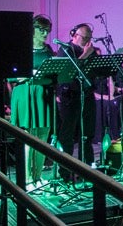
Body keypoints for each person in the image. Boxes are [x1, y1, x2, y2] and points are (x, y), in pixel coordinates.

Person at [10, 14, 57, 183]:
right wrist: (32, 73)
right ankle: (27, 178)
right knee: (29, 137)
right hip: (26, 94)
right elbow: (10, 75)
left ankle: (37, 176)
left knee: (42, 137)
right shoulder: (21, 49)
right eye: (41, 30)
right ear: (32, 30)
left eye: (47, 30)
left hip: (43, 94)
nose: (45, 34)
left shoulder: (48, 50)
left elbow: (53, 73)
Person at [55, 22, 100, 169]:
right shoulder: (65, 49)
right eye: (84, 38)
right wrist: (85, 55)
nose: (87, 41)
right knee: (67, 136)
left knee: (87, 135)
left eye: (89, 38)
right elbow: (67, 73)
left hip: (87, 95)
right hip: (70, 97)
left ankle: (86, 169)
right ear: (74, 35)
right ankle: (65, 171)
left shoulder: (91, 50)